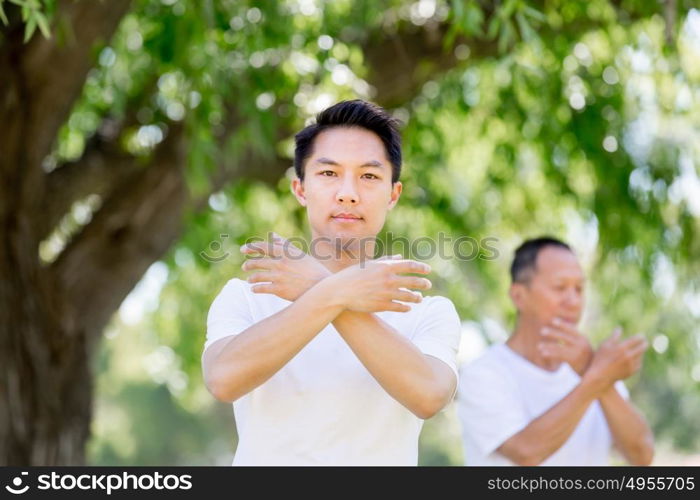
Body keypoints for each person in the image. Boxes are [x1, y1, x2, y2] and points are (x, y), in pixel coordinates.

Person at [202, 100, 461, 465]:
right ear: (300, 189)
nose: (348, 193)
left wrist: (319, 288)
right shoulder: (248, 294)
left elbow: (429, 396)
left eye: (369, 176)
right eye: (328, 174)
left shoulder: (425, 309)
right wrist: (336, 291)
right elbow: (224, 379)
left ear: (393, 194)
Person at [456, 237, 654, 466]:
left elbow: (642, 455)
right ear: (519, 296)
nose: (573, 301)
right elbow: (526, 452)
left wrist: (599, 379)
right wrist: (595, 380)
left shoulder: (597, 370)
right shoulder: (484, 373)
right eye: (560, 287)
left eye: (579, 289)